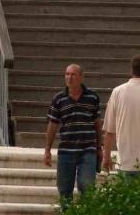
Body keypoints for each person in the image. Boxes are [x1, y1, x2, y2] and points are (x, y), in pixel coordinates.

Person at [44, 64, 102, 202]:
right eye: (67, 74)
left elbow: (97, 123)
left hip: (87, 149)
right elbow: (52, 125)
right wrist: (47, 149)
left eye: (73, 74)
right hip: (66, 150)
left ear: (81, 77)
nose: (69, 78)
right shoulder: (59, 99)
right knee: (64, 190)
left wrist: (100, 147)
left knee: (87, 186)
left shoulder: (92, 97)